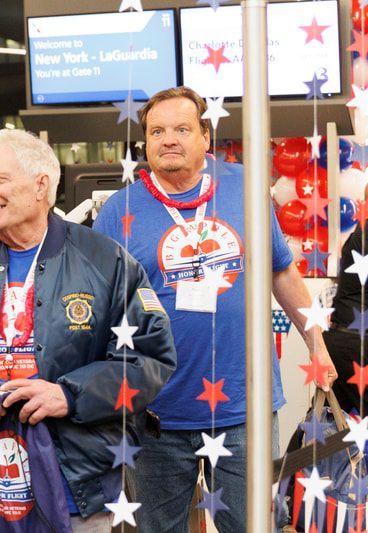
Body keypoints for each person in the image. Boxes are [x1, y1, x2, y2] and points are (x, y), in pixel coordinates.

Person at [93, 86, 335, 532]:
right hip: (156, 415)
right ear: (145, 142)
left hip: (245, 409)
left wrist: (316, 343)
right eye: (157, 131)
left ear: (205, 136)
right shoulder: (118, 212)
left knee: (252, 526)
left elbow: (281, 271)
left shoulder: (244, 187)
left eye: (181, 129)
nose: (168, 139)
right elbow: (101, 307)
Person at [0, 128, 176, 532]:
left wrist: (69, 394)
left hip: (78, 488)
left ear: (41, 185)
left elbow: (150, 358)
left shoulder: (107, 262)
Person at [324, 197, 368, 416]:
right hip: (357, 346)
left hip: (342, 341)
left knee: (326, 423)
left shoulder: (360, 233)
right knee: (328, 423)